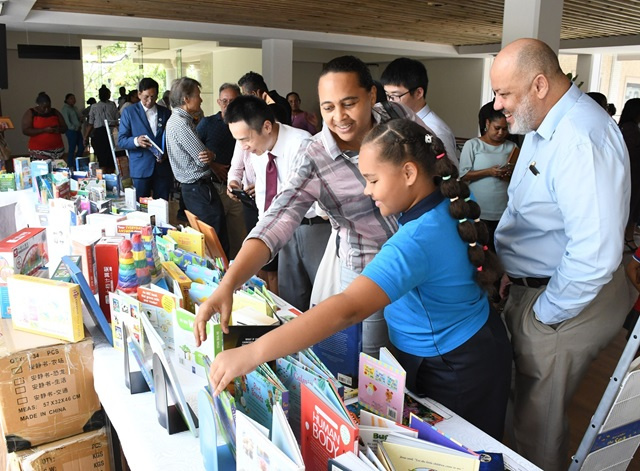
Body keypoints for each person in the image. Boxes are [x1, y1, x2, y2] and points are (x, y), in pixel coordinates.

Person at [206, 119, 512, 439]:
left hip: (459, 362)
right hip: (453, 345)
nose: (367, 190)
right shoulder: (435, 203)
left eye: (373, 179)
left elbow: (348, 308)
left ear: (409, 173)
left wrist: (253, 353)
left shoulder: (418, 238)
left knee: (465, 450)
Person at [194, 55, 424, 363]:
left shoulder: (396, 116)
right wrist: (229, 283)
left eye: (349, 103)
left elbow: (436, 164)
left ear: (371, 95)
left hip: (421, 258)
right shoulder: (316, 155)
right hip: (366, 270)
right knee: (373, 363)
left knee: (419, 353)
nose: (339, 116)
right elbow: (278, 219)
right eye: (328, 107)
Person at [491, 38, 634, 471]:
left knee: (538, 429)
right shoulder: (543, 123)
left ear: (538, 84)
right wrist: (510, 269)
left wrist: (545, 314)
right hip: (532, 286)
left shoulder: (581, 139)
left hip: (562, 301)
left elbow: (594, 254)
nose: (497, 105)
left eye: (504, 94)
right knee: (521, 410)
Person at [225, 95, 331, 309]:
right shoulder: (259, 150)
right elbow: (265, 195)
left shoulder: (301, 144)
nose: (243, 147)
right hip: (282, 231)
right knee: (291, 296)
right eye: (238, 140)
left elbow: (306, 198)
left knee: (322, 299)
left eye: (245, 139)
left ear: (266, 126)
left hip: (313, 228)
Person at [164, 77, 229, 256]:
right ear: (186, 99)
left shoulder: (178, 120)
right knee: (214, 239)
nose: (200, 99)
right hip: (198, 189)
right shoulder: (181, 123)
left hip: (193, 190)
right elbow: (202, 158)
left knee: (209, 237)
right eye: (198, 95)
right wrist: (213, 155)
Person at [196, 83, 247, 259]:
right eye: (224, 101)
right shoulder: (207, 123)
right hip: (215, 188)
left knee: (239, 237)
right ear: (218, 102)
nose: (227, 105)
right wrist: (213, 165)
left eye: (232, 101)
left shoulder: (246, 125)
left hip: (239, 190)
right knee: (215, 237)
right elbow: (195, 152)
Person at [380, 57, 459, 166]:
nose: (390, 101)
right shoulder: (399, 123)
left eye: (395, 95)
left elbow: (450, 173)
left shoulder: (436, 131)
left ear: (418, 93)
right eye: (387, 95)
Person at [459, 106, 516, 252]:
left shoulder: (512, 147)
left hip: (503, 210)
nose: (501, 133)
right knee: (479, 250)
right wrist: (488, 172)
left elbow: (519, 179)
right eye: (497, 128)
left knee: (500, 251)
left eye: (505, 129)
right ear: (487, 123)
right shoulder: (473, 145)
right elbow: (463, 175)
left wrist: (507, 175)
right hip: (479, 209)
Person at [118, 78, 173, 201]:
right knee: (141, 206)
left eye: (153, 97)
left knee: (162, 205)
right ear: (139, 94)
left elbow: (172, 139)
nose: (149, 101)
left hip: (162, 167)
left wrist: (167, 154)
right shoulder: (129, 112)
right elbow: (121, 140)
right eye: (146, 97)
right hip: (141, 167)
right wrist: (136, 141)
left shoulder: (166, 113)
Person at [619, 98, 640, 251]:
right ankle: (628, 238)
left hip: (632, 174)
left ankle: (628, 237)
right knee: (632, 206)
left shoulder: (627, 127)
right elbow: (633, 153)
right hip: (633, 175)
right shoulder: (630, 129)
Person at [22, 92, 67, 160]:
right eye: (44, 107)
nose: (46, 110)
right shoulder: (31, 113)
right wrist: (44, 130)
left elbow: (65, 128)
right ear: (38, 105)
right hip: (39, 151)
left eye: (49, 107)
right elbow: (25, 130)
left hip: (57, 150)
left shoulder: (55, 112)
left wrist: (57, 129)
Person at [83, 86, 119, 173]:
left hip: (99, 133)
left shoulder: (95, 106)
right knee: (111, 156)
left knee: (102, 158)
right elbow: (116, 119)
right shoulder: (112, 105)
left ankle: (104, 177)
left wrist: (86, 137)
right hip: (110, 132)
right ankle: (110, 175)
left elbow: (90, 123)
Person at [61, 93, 84, 168]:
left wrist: (81, 121)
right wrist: (74, 127)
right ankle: (71, 165)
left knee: (81, 146)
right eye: (71, 98)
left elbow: (80, 116)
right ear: (67, 100)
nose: (73, 100)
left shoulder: (75, 108)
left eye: (74, 98)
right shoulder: (65, 109)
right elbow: (67, 122)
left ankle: (77, 162)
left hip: (78, 130)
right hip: (71, 131)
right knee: (72, 148)